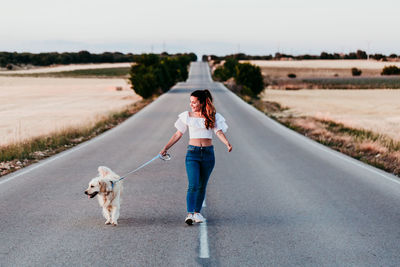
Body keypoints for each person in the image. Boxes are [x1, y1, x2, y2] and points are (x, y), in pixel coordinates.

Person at [160, 89, 232, 225]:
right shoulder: (187, 116)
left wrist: (227, 143)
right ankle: (190, 213)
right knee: (193, 184)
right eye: (190, 102)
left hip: (208, 154)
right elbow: (177, 134)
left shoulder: (213, 116)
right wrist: (165, 148)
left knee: (202, 185)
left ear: (202, 102)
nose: (191, 104)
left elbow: (219, 132)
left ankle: (197, 213)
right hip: (192, 154)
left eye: (194, 102)